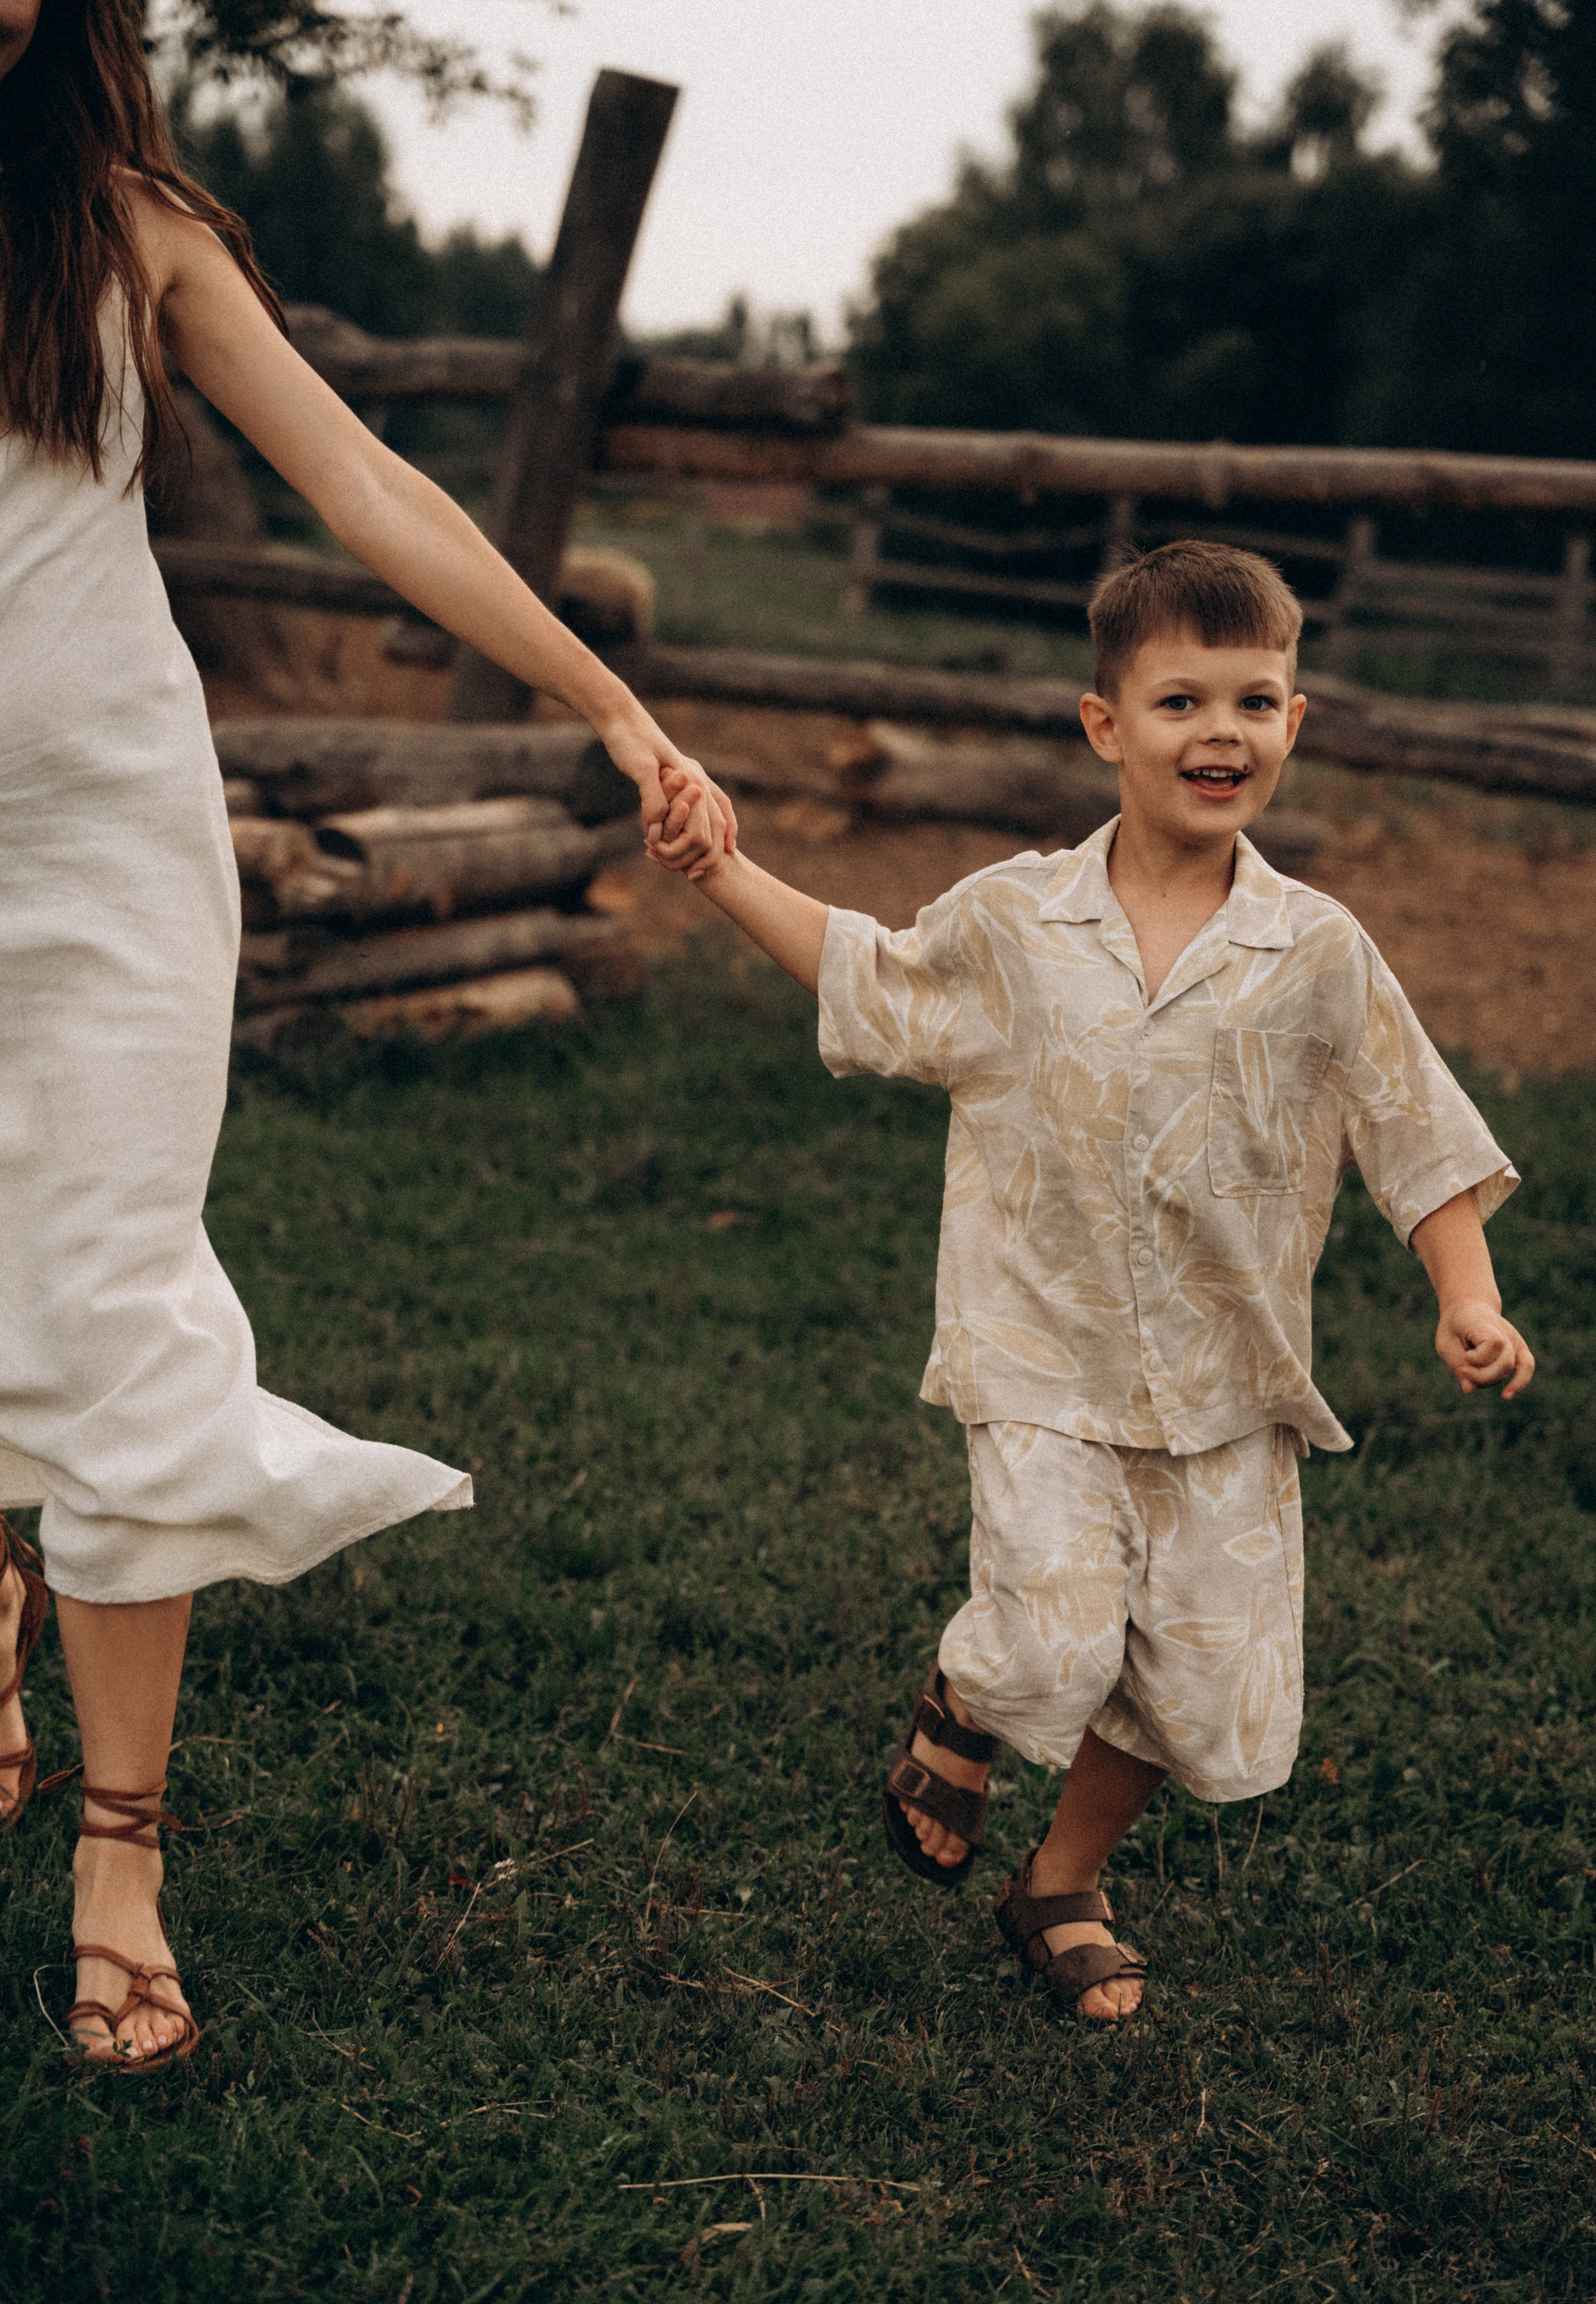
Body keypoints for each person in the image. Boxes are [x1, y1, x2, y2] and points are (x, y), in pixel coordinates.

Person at [0, 0, 729, 2069]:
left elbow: (365, 481)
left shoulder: (127, 229)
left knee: (119, 1308)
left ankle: (120, 1859)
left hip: (109, 863)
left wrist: (605, 695)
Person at [649, 539, 1533, 2023]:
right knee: (1053, 1628)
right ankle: (969, 1694)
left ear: (1295, 723)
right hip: (1039, 1350)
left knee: (1186, 1682)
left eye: (1255, 701)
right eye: (1180, 700)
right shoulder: (1013, 921)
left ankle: (1058, 1881)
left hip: (1229, 1382)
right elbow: (868, 974)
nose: (1220, 734)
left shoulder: (1318, 951)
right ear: (1102, 724)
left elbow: (1413, 1124)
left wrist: (1467, 1289)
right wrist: (724, 864)